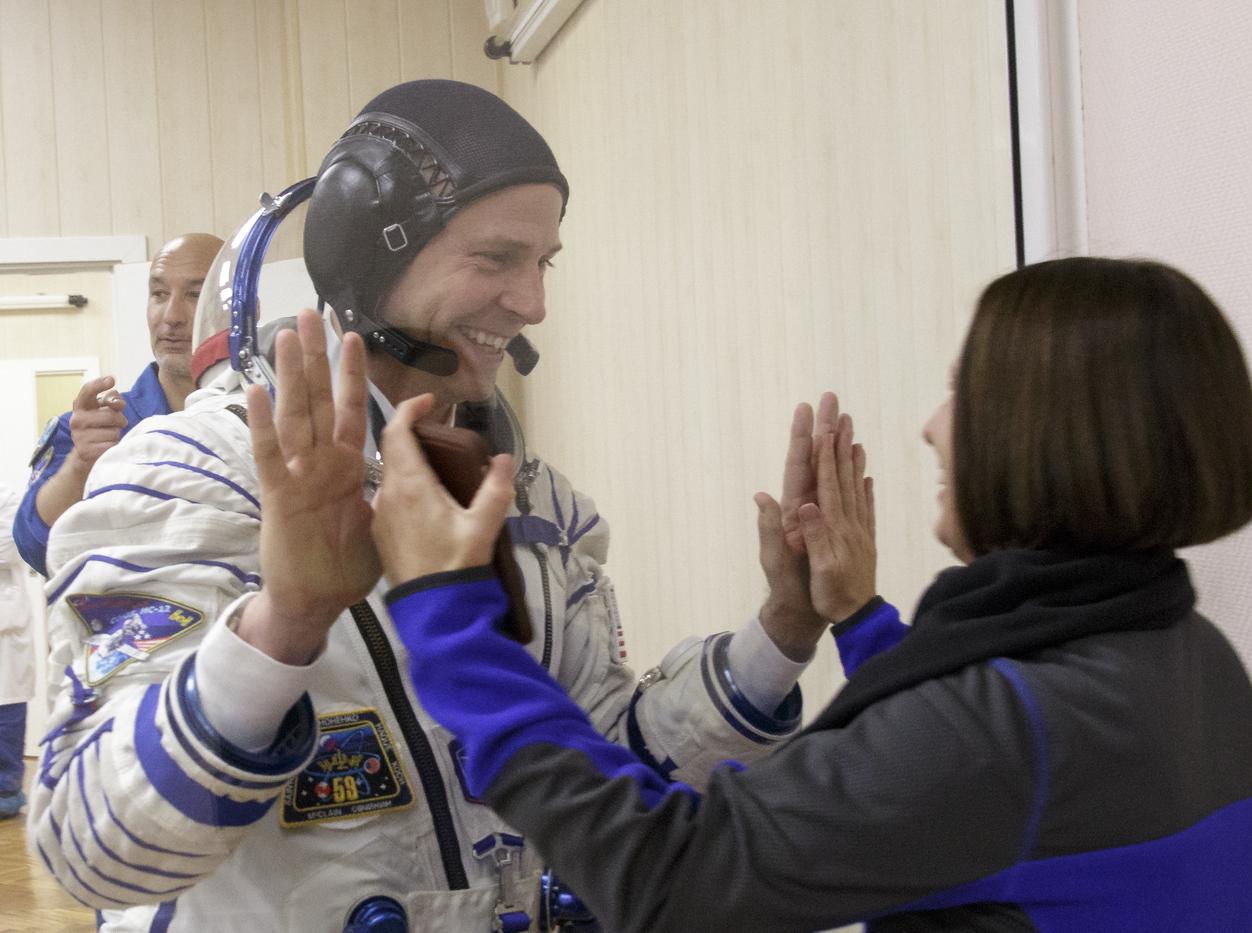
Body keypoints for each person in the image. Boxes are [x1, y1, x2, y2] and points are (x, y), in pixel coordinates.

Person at [29, 80, 831, 932]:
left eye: (542, 262)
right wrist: (284, 624)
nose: (534, 303)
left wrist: (778, 636)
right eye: (495, 260)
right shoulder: (188, 479)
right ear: (372, 257)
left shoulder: (532, 502)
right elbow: (92, 850)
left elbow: (601, 760)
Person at [364, 256, 1252, 931]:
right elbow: (985, 827)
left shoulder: (1017, 727)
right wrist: (859, 617)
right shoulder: (1191, 658)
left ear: (1048, 434)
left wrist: (450, 618)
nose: (931, 424)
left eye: (965, 391)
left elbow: (671, 877)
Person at [12, 233, 224, 575]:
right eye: (158, 294)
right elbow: (36, 547)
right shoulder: (95, 428)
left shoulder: (279, 417)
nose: (171, 316)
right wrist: (81, 466)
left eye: (195, 295)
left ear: (244, 307)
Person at [0, 482, 35, 819]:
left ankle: (6, 790)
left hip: (4, 629)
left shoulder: (9, 497)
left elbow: (9, 549)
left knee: (6, 708)